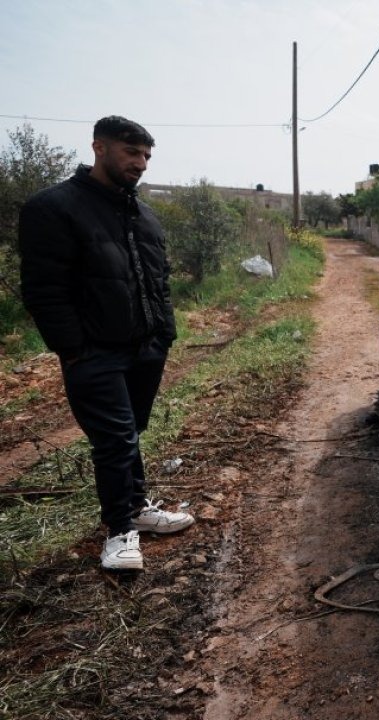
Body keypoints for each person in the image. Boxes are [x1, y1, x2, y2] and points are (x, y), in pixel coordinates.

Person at [18, 116, 193, 571]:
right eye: (131, 153)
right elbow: (42, 289)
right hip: (95, 352)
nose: (141, 164)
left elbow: (160, 280)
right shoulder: (54, 207)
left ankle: (136, 507)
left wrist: (164, 334)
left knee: (130, 433)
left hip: (146, 348)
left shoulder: (143, 213)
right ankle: (119, 533)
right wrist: (74, 349)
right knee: (114, 440)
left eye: (146, 156)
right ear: (99, 148)